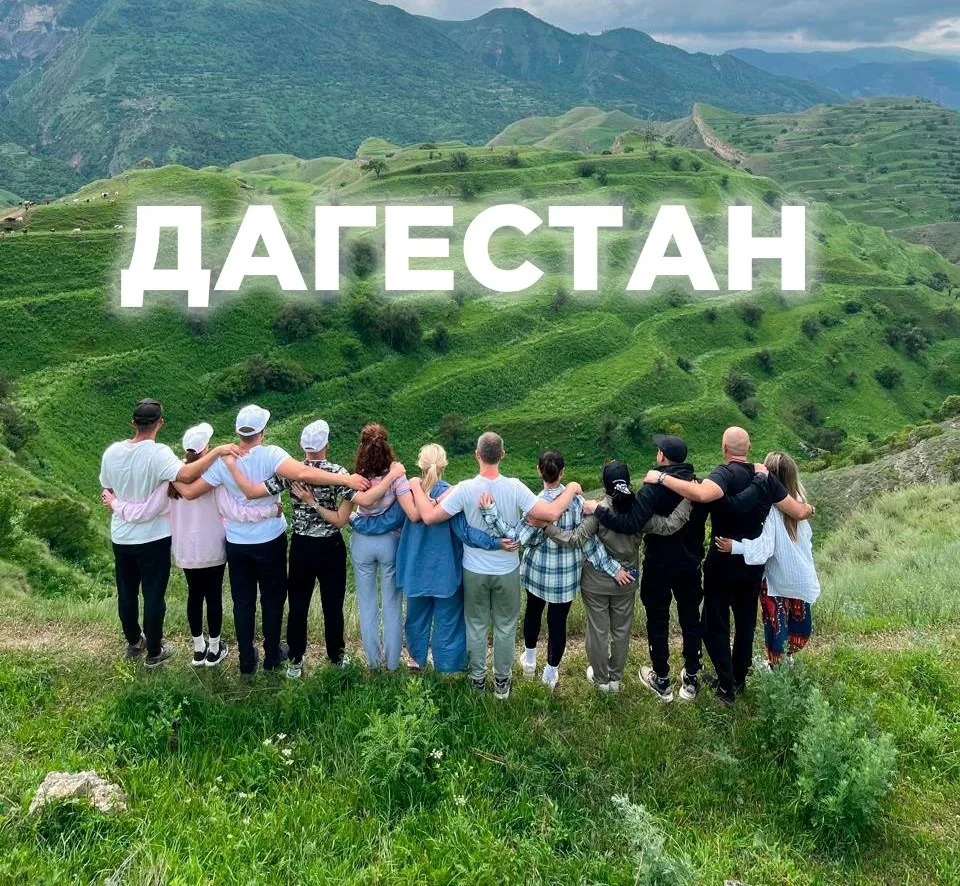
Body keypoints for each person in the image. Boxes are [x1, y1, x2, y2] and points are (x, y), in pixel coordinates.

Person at [172, 405, 370, 676]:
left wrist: (170, 475)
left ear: (238, 432)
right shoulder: (272, 455)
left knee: (243, 602)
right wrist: (346, 479)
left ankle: (246, 661)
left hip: (237, 541)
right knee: (272, 600)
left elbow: (191, 492)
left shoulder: (224, 461)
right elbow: (303, 473)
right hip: (270, 539)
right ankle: (273, 657)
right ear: (262, 432)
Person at [642, 427, 814, 704]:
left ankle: (726, 684)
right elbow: (797, 510)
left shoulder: (722, 475)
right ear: (749, 447)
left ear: (724, 449)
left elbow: (700, 495)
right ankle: (739, 679)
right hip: (752, 566)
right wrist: (810, 509)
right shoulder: (765, 477)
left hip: (722, 561)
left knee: (715, 625)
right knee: (745, 624)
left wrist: (661, 477)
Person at [410, 431, 584, 700]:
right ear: (502, 455)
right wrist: (571, 488)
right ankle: (502, 682)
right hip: (506, 570)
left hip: (474, 569)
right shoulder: (514, 487)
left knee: (476, 625)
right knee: (505, 626)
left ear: (477, 455)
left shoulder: (465, 488)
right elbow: (550, 512)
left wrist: (413, 484)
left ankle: (477, 680)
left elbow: (430, 516)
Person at [102, 422, 281, 667]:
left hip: (185, 549)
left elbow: (146, 510)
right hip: (213, 546)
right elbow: (233, 511)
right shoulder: (213, 478)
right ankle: (214, 649)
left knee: (194, 596)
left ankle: (198, 649)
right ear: (206, 448)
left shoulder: (171, 479)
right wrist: (270, 510)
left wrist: (116, 504)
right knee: (213, 596)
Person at [222, 419, 380, 678]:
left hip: (301, 546)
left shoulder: (291, 472)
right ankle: (336, 655)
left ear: (303, 446)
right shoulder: (338, 473)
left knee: (298, 605)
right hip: (330, 546)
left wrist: (230, 466)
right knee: (333, 604)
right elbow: (350, 511)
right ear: (326, 445)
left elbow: (255, 491)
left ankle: (295, 660)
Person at [350, 443, 512, 674]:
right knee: (448, 621)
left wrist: (356, 521)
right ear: (444, 464)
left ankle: (416, 660)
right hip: (446, 571)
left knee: (416, 620)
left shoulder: (408, 494)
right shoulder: (452, 495)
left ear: (420, 464)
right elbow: (465, 533)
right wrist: (495, 542)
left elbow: (388, 521)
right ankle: (447, 669)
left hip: (415, 571)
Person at [478, 449, 629, 691]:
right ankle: (550, 674)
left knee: (533, 614)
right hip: (566, 577)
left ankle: (529, 661)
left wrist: (490, 513)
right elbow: (589, 544)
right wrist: (614, 569)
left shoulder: (535, 505)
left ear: (539, 471)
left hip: (537, 573)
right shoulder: (578, 503)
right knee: (558, 624)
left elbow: (515, 539)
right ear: (562, 472)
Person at [584, 435, 709, 702]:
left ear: (662, 456)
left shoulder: (652, 489)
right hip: (690, 564)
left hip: (659, 564)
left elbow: (630, 523)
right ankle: (691, 678)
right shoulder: (698, 488)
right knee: (691, 619)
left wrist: (598, 510)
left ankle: (662, 679)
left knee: (658, 620)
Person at [546, 461, 690, 693]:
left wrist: (547, 527)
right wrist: (688, 498)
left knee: (598, 631)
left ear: (605, 486)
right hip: (627, 581)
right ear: (628, 482)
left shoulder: (597, 511)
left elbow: (574, 539)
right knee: (621, 631)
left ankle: (601, 680)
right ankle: (615, 679)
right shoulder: (639, 512)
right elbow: (670, 525)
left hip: (595, 582)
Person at [715, 451, 820, 666]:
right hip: (801, 575)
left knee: (776, 626)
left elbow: (765, 548)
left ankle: (775, 666)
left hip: (777, 580)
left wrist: (735, 547)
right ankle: (788, 659)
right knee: (796, 623)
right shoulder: (800, 504)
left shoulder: (771, 509)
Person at [345, 423, 421, 671]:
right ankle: (393, 663)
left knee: (367, 603)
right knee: (392, 604)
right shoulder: (397, 477)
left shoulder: (357, 477)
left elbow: (361, 503)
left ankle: (373, 662)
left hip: (362, 542)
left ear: (362, 448)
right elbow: (411, 512)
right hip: (390, 542)